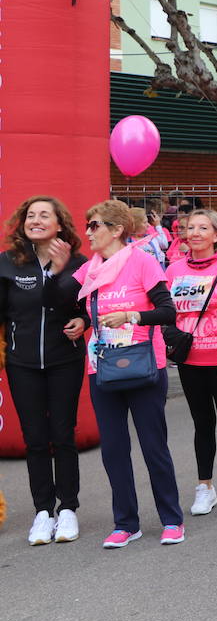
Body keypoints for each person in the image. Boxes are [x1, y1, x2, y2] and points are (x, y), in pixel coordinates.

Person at [73, 200, 184, 549]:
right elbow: (85, 310)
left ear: (116, 229)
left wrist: (131, 316)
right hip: (102, 365)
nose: (88, 231)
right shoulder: (88, 270)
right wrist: (82, 322)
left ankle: (171, 519)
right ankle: (126, 523)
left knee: (153, 446)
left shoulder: (142, 261)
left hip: (143, 365)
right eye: (87, 225)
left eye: (95, 225)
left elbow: (168, 312)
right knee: (114, 450)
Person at [1, 196, 88, 545]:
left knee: (63, 434)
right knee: (35, 439)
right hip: (22, 363)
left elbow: (86, 306)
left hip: (64, 360)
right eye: (30, 215)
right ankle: (42, 512)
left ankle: (67, 509)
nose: (36, 220)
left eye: (44, 215)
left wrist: (85, 320)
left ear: (59, 225)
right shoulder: (7, 263)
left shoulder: (77, 263)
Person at [165, 208, 217, 517]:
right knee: (202, 424)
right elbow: (166, 310)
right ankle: (205, 487)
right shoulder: (173, 271)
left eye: (203, 228)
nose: (195, 233)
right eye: (190, 228)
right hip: (189, 359)